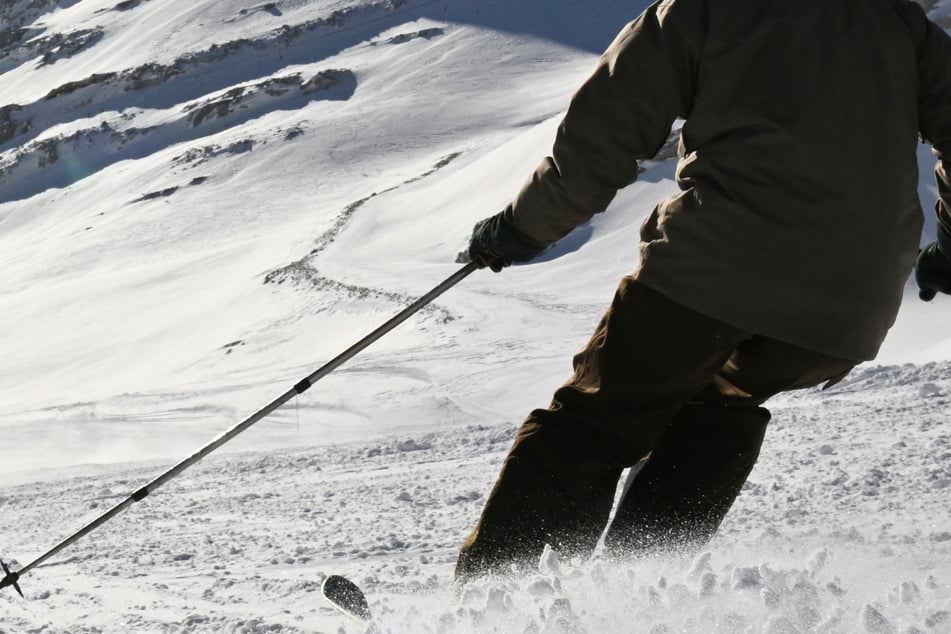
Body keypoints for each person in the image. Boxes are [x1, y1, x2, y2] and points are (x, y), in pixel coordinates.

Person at [455, 0, 951, 582]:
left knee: (595, 423)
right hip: (848, 304)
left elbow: (604, 135)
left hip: (713, 273)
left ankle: (498, 605)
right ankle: (633, 599)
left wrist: (519, 228)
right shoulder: (897, 22)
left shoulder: (698, 11)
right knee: (718, 413)